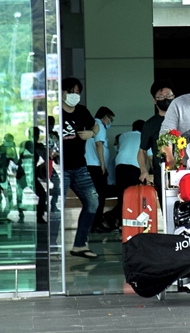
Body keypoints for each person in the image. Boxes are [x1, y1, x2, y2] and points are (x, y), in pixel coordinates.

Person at [59, 77, 100, 259]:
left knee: (92, 202)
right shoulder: (54, 112)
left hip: (79, 166)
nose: (74, 95)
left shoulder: (82, 111)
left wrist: (92, 133)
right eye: (70, 91)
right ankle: (52, 247)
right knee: (54, 207)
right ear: (61, 93)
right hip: (60, 168)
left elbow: (96, 126)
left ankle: (80, 245)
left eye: (77, 92)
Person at [139, 79, 175, 205]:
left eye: (169, 95)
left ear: (174, 97)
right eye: (160, 96)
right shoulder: (150, 125)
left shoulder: (183, 119)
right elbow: (142, 150)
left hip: (184, 172)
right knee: (167, 211)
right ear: (155, 100)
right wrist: (144, 170)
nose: (165, 99)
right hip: (162, 175)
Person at [107, 120, 145, 229]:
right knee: (132, 195)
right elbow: (150, 156)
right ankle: (113, 216)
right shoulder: (144, 137)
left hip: (120, 165)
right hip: (134, 166)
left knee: (122, 194)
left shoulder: (123, 135)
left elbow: (119, 148)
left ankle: (119, 222)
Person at [85, 106, 115, 232]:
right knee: (100, 196)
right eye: (110, 119)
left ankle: (94, 222)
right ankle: (96, 223)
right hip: (96, 166)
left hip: (90, 165)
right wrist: (103, 164)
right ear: (104, 117)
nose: (110, 122)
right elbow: (99, 145)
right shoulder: (99, 125)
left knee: (95, 196)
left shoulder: (92, 125)